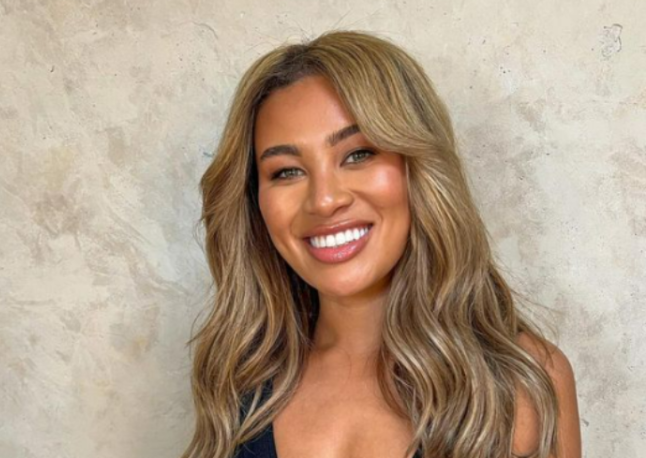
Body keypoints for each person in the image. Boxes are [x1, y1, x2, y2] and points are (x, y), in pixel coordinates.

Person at [182, 30, 581, 458]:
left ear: (418, 168)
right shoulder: (238, 377)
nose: (324, 200)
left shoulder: (521, 380)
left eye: (358, 154)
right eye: (286, 171)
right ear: (255, 200)